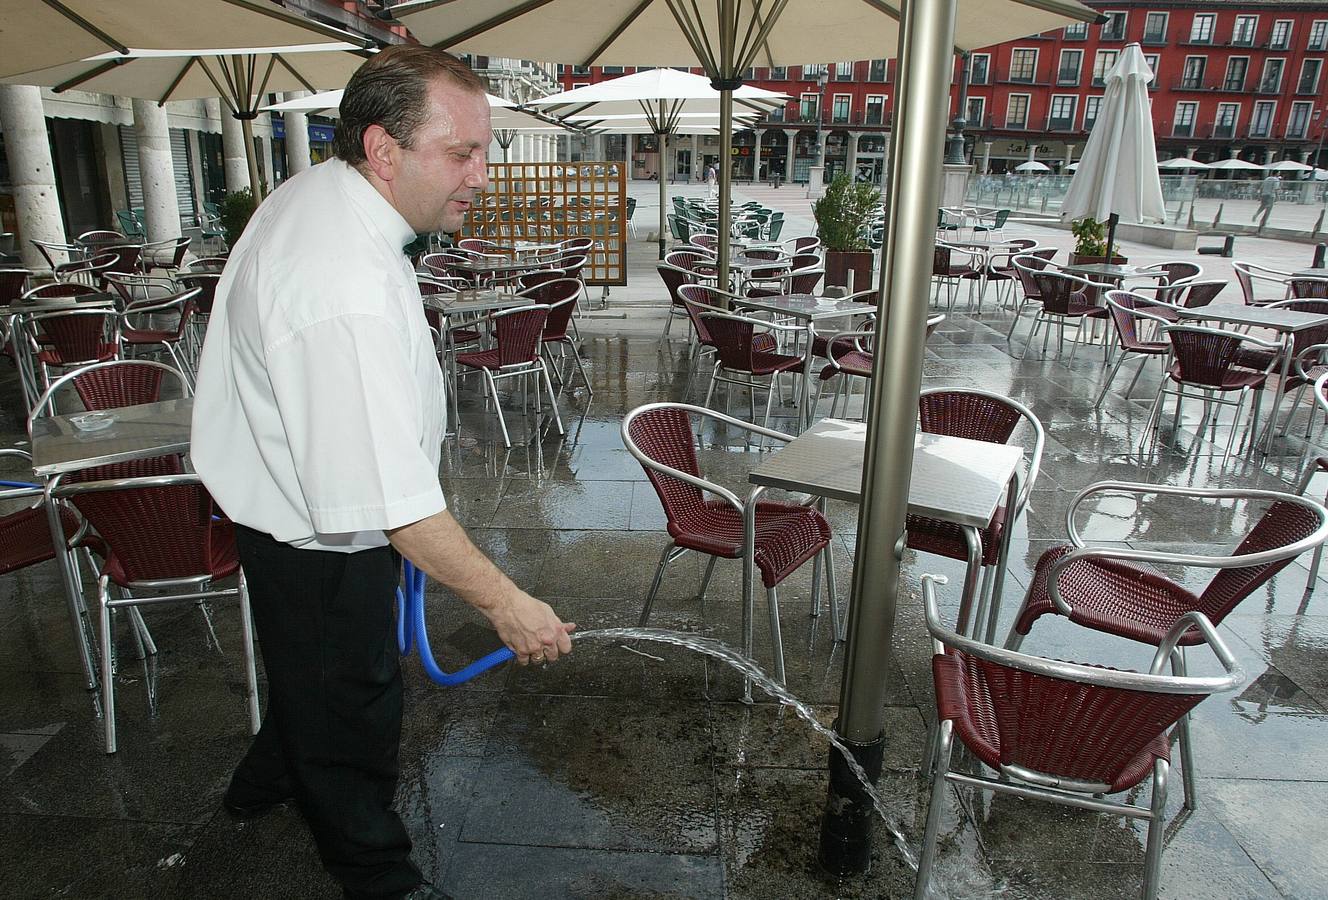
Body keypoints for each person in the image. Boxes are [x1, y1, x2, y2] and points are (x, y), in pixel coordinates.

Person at [191, 46, 575, 900]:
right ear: (383, 149)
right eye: (461, 153)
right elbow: (388, 502)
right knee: (353, 698)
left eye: (485, 150)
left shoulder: (323, 198)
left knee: (309, 674)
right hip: (313, 534)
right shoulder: (340, 283)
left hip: (278, 505)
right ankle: (377, 871)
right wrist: (508, 605)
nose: (480, 175)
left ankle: (261, 785)